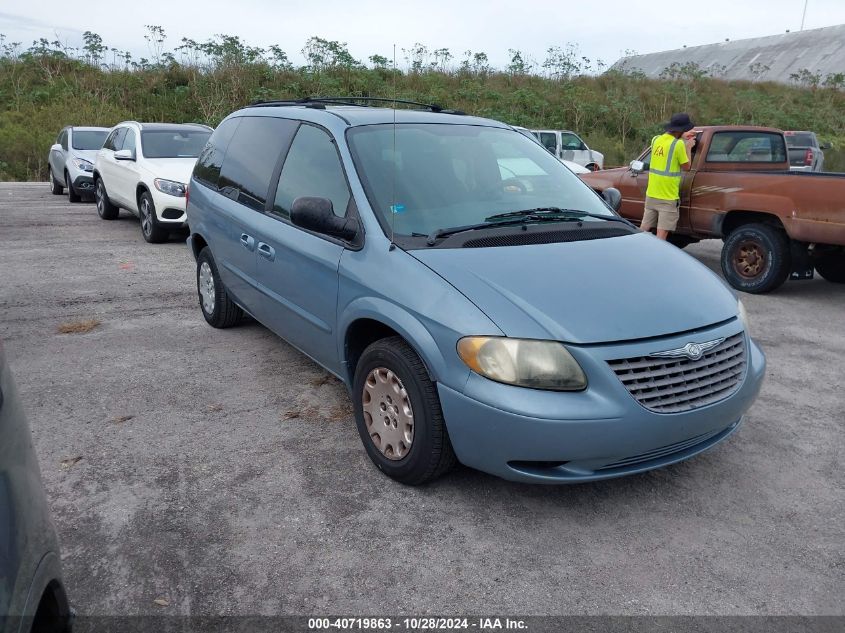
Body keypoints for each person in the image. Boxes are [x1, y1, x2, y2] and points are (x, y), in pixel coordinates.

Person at [641, 113, 697, 240]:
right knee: (661, 236)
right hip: (667, 197)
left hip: (652, 194)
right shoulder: (678, 145)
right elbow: (687, 167)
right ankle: (657, 258)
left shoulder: (655, 139)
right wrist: (688, 147)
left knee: (644, 229)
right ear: (682, 129)